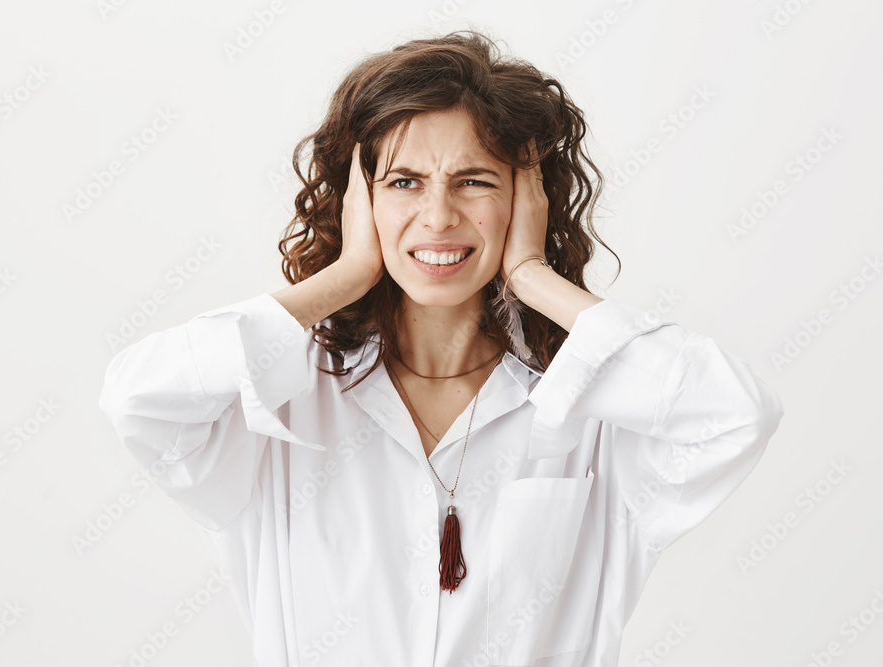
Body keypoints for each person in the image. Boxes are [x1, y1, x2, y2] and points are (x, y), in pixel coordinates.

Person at [99, 30, 784, 667]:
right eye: (404, 182)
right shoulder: (278, 404)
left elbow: (735, 415)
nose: (438, 217)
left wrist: (532, 275)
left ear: (527, 199)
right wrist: (345, 274)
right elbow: (138, 401)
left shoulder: (592, 407)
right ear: (358, 201)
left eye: (474, 180)